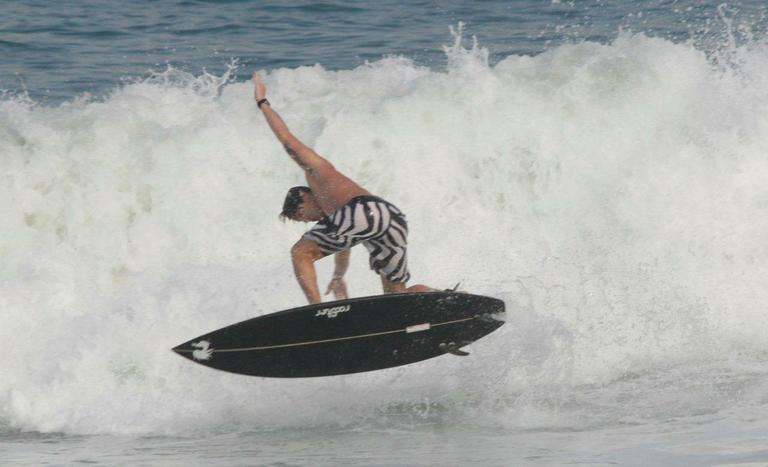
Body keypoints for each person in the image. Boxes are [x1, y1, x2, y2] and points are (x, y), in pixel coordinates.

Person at [252, 72, 433, 304]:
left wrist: (262, 102)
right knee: (397, 295)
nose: (309, 221)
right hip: (391, 217)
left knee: (300, 253)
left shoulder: (315, 172)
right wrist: (338, 276)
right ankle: (445, 299)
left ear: (304, 197)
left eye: (303, 216)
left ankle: (315, 309)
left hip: (364, 210)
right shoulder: (338, 216)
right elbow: (343, 245)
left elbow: (287, 139)